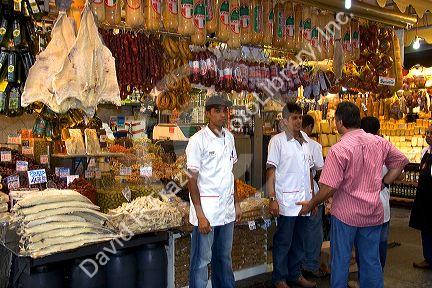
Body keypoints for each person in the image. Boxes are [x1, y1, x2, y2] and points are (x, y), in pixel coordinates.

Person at [297, 102, 409, 288]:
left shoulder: (339, 149)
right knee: (371, 261)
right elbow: (400, 162)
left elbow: (329, 187)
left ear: (340, 122)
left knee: (341, 261)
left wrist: (312, 203)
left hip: (345, 216)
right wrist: (383, 183)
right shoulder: (379, 142)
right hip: (372, 212)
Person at [186, 95, 242, 288]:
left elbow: (230, 173)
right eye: (217, 110)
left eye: (224, 110)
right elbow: (191, 180)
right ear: (208, 113)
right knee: (201, 261)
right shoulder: (197, 140)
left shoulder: (230, 138)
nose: (222, 115)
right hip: (207, 211)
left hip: (226, 210)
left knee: (224, 258)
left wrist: (237, 204)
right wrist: (200, 215)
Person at [266, 103, 316, 288]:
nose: (298, 121)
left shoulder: (304, 140)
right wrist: (272, 199)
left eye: (300, 117)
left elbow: (309, 171)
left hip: (305, 201)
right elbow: (271, 171)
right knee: (284, 242)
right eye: (294, 118)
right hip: (286, 201)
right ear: (285, 121)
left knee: (300, 241)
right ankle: (279, 278)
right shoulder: (277, 141)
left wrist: (313, 199)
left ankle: (295, 274)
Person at [359, 116, 391, 271]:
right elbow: (401, 173)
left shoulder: (355, 148)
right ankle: (377, 276)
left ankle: (364, 279)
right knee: (380, 245)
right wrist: (384, 182)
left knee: (363, 246)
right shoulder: (385, 148)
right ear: (379, 131)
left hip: (361, 206)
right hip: (382, 206)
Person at [301, 114, 326, 278]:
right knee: (314, 231)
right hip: (311, 195)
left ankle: (298, 265)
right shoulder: (314, 145)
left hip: (293, 196)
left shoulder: (282, 142)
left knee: (298, 232)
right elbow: (319, 170)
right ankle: (310, 265)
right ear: (309, 127)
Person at [410, 125, 432, 270]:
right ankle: (428, 258)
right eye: (427, 132)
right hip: (424, 198)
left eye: (430, 133)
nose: (427, 135)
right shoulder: (425, 152)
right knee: (426, 229)